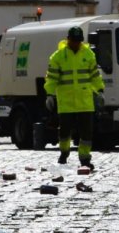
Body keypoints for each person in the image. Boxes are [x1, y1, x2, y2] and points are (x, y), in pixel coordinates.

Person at [45, 26, 105, 169]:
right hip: (66, 101)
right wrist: (50, 94)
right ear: (68, 40)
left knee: (86, 133)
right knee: (64, 133)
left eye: (78, 41)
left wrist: (100, 90)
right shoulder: (58, 57)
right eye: (73, 41)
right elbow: (52, 78)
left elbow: (94, 76)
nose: (76, 43)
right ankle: (64, 154)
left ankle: (84, 158)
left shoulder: (89, 55)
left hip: (85, 101)